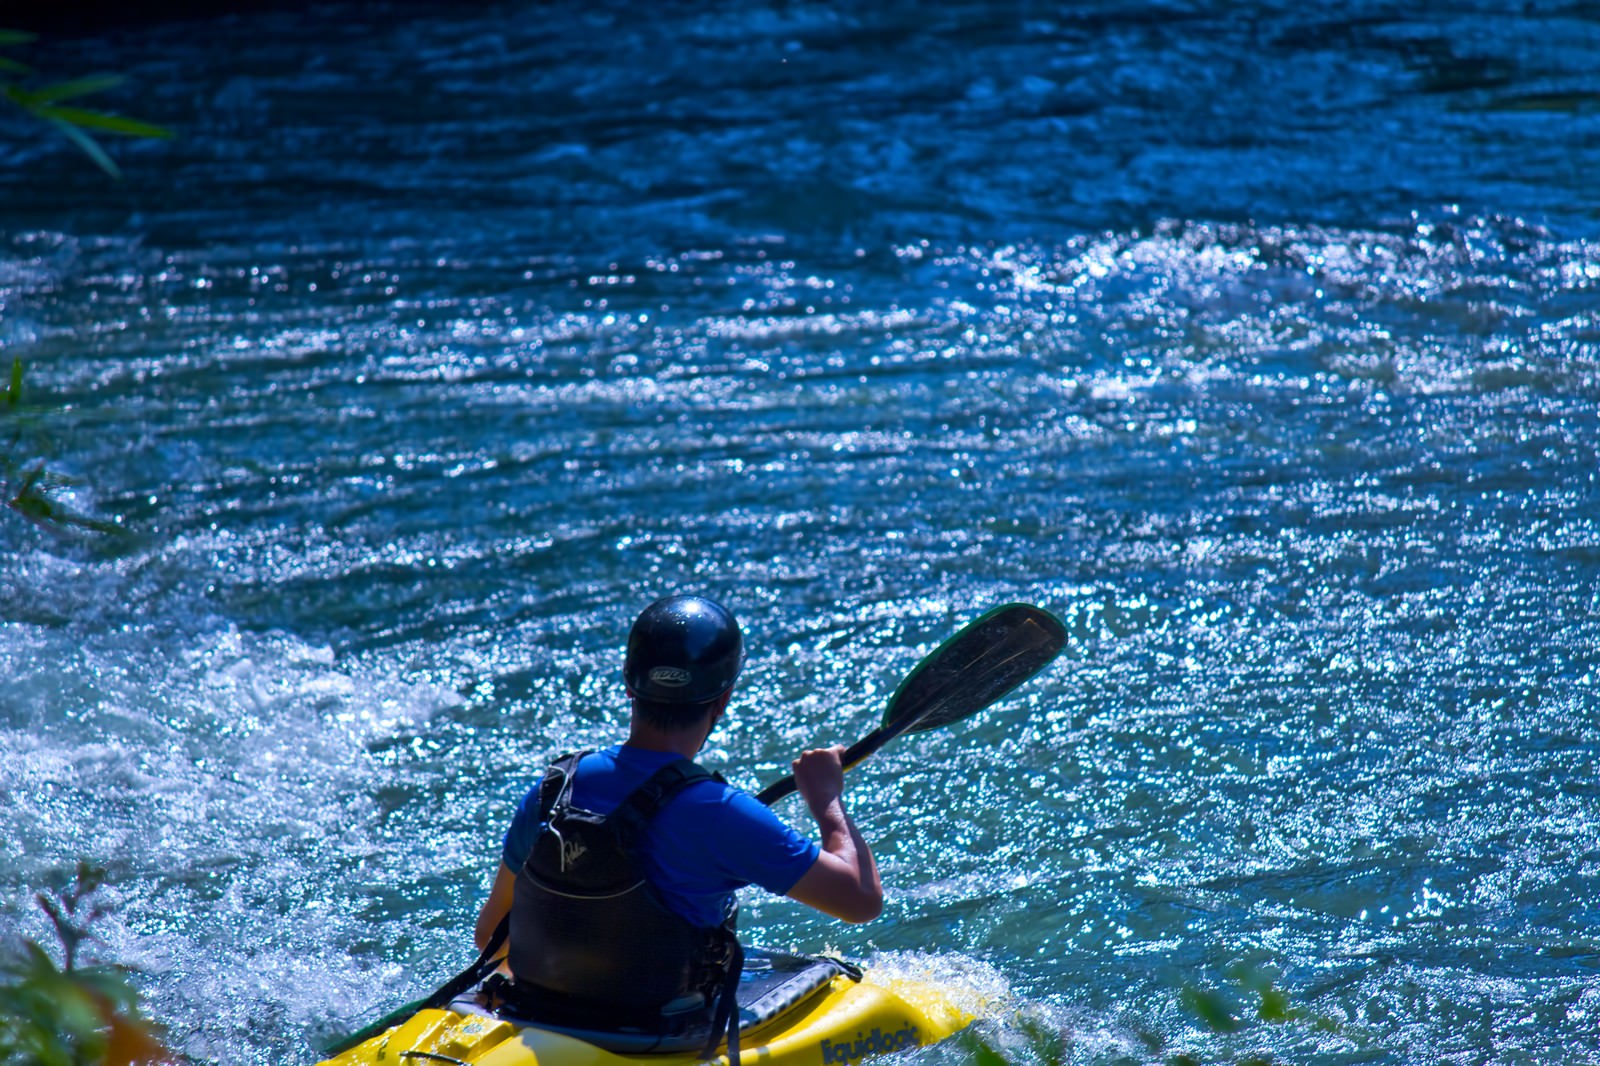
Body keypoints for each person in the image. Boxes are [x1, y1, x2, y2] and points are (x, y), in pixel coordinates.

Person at [472, 593, 882, 1029]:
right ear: (723, 701)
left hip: (544, 1015)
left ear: (630, 685)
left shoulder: (553, 791)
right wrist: (825, 799)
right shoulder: (723, 812)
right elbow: (860, 901)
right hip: (659, 1031)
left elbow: (491, 939)